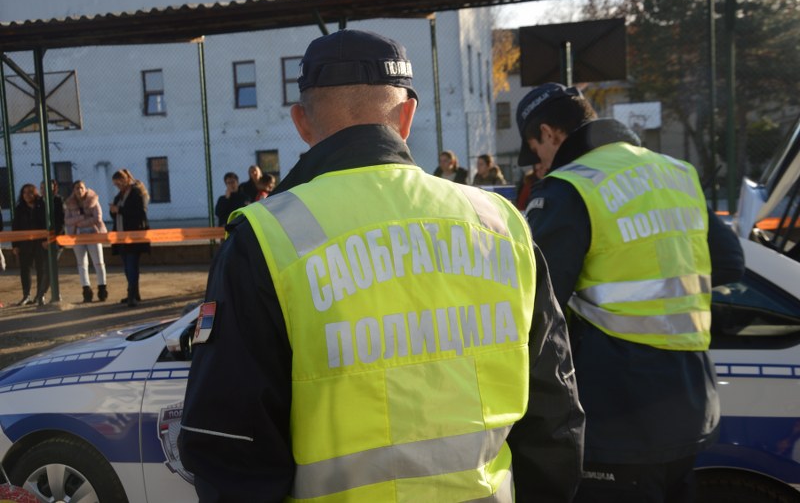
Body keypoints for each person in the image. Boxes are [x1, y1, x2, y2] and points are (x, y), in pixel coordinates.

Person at [180, 29, 584, 502]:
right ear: (407, 116)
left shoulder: (267, 238)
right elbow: (555, 418)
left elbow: (230, 445)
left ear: (301, 123)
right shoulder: (501, 225)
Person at [516, 82, 745, 502]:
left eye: (535, 150)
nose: (539, 164)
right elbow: (729, 262)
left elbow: (533, 305)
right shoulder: (675, 172)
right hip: (690, 404)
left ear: (549, 134)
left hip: (617, 415)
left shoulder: (570, 187)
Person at [109, 168, 150, 307]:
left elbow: (140, 212)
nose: (118, 186)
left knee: (132, 266)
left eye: (119, 183)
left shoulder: (137, 192)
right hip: (121, 236)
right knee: (127, 267)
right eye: (116, 184)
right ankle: (134, 293)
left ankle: (132, 295)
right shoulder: (120, 195)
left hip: (134, 236)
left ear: (126, 179)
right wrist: (113, 211)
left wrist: (119, 210)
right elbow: (116, 215)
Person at [64, 180, 108, 303]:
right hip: (76, 235)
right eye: (77, 188)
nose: (79, 190)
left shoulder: (93, 200)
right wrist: (82, 218)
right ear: (73, 190)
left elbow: (97, 218)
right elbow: (67, 220)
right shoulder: (69, 204)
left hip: (93, 234)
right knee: (82, 264)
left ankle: (102, 288)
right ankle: (86, 290)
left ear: (85, 189)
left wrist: (79, 222)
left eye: (81, 188)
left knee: (99, 262)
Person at [11, 184, 50, 306]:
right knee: (25, 269)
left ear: (35, 193)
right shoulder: (19, 208)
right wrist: (15, 245)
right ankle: (26, 295)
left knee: (41, 269)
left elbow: (46, 224)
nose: (27, 195)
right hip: (24, 244)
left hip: (40, 243)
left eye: (30, 192)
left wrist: (46, 240)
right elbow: (15, 228)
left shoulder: (42, 205)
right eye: (24, 193)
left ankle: (39, 295)